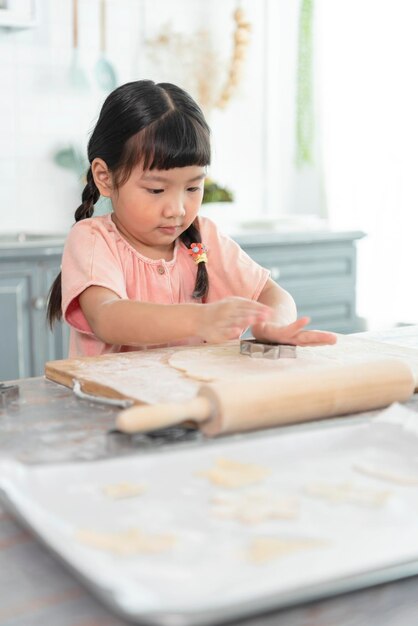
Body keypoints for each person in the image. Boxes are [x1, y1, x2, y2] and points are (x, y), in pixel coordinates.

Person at [47, 80, 337, 357]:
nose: (177, 209)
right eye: (156, 189)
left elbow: (273, 294)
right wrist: (199, 319)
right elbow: (107, 318)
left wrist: (273, 324)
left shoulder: (203, 238)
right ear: (104, 177)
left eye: (192, 187)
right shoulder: (93, 239)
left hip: (188, 400)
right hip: (109, 406)